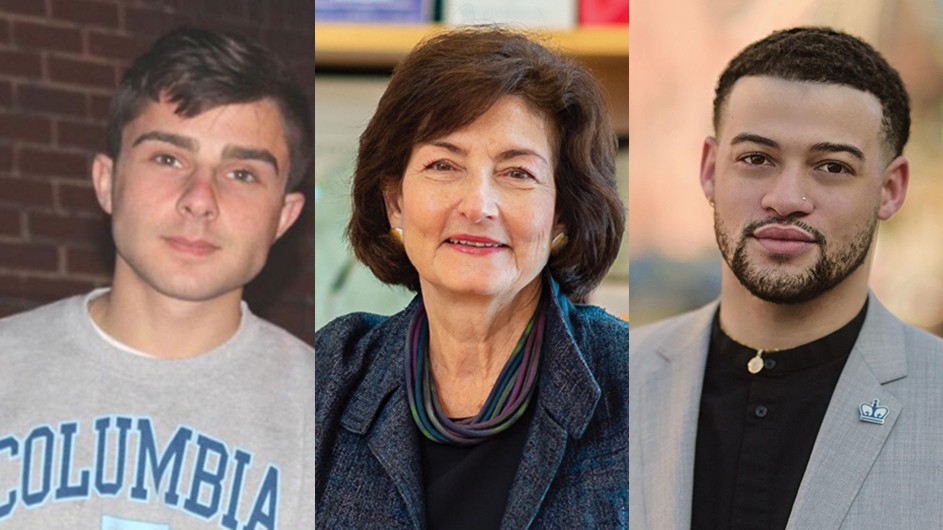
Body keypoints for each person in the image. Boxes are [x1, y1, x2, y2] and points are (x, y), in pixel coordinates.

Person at [630, 26, 943, 530]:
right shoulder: (618, 379)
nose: (786, 197)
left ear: (890, 188)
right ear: (711, 168)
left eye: (832, 167)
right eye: (756, 159)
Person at [0, 27, 313, 528]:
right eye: (168, 158)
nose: (200, 198)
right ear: (107, 183)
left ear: (284, 216)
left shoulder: (332, 419)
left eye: (242, 173)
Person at [315, 27, 627, 529]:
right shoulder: (329, 373)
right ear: (394, 200)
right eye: (443, 165)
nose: (478, 205)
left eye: (517, 173)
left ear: (563, 212)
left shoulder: (635, 380)